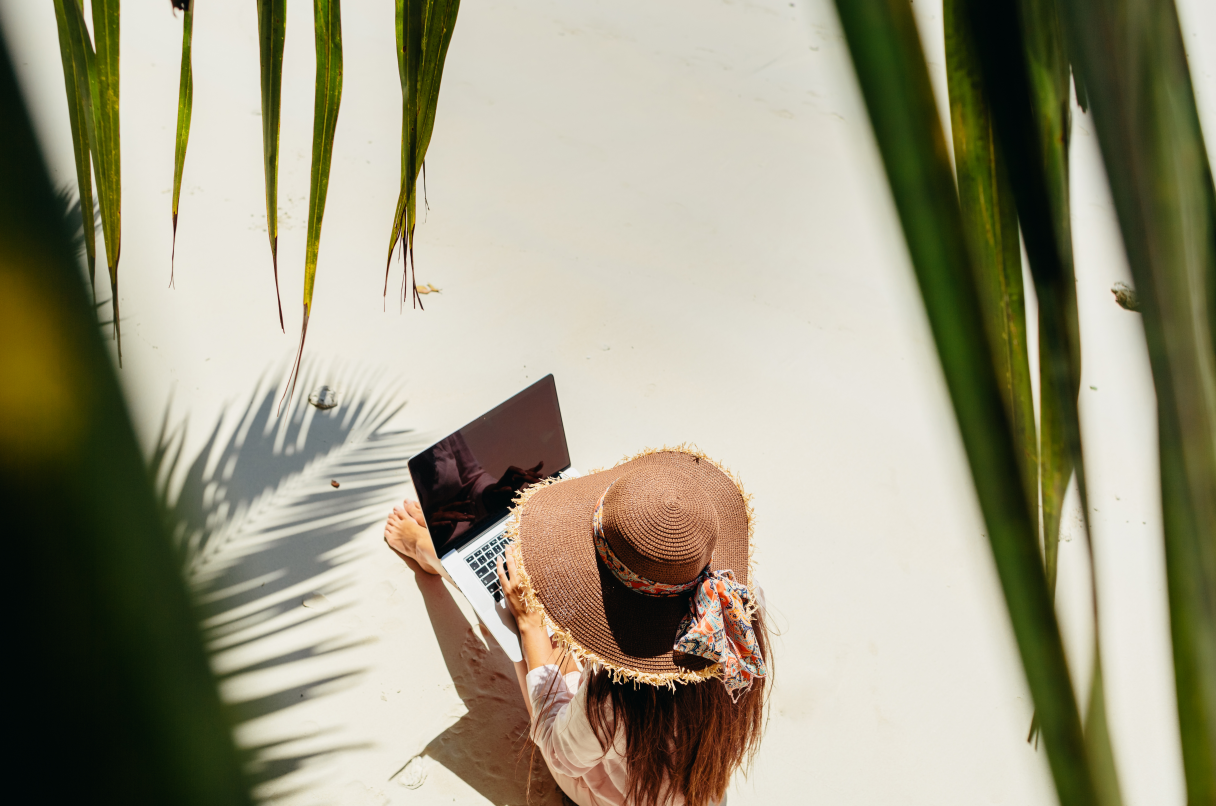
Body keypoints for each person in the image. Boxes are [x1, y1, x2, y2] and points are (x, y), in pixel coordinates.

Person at [385, 447, 771, 806]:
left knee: (531, 618)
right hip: (680, 780)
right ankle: (479, 495)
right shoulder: (735, 613)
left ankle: (436, 554)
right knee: (550, 620)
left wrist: (530, 623)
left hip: (618, 793)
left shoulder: (613, 701)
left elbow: (558, 749)